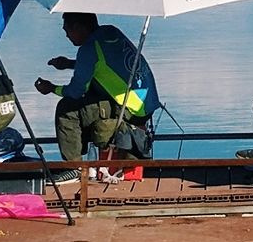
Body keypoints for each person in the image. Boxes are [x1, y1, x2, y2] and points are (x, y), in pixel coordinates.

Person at [33, 12, 159, 162]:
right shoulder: (110, 32)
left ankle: (74, 167)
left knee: (66, 109)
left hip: (130, 111)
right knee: (90, 92)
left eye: (67, 30)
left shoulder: (88, 48)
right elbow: (105, 65)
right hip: (147, 104)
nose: (66, 35)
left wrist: (52, 88)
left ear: (78, 27)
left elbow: (75, 91)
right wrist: (70, 64)